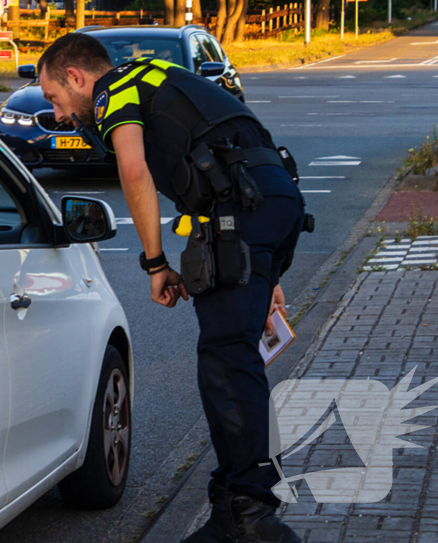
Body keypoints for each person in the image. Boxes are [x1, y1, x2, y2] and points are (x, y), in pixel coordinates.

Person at [37, 33, 307, 543]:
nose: (57, 113)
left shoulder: (116, 91)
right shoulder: (160, 78)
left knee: (227, 359)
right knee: (223, 359)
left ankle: (251, 511)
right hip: (270, 200)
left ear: (77, 77)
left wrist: (155, 262)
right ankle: (232, 504)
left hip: (240, 213)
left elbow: (133, 170)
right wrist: (270, 271)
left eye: (54, 97)